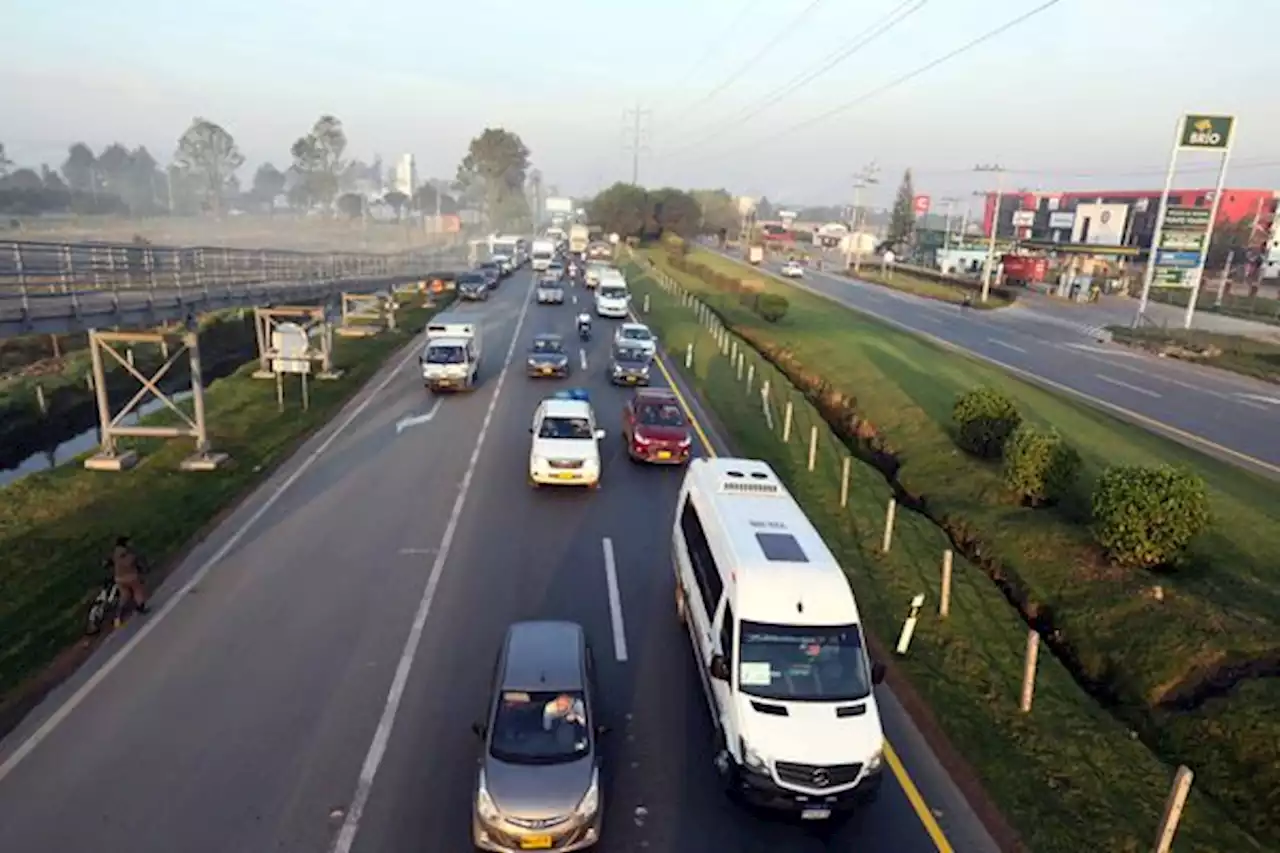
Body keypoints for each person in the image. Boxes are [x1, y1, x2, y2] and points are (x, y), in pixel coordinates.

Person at [105, 535, 149, 628]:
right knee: (137, 590)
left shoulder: (114, 552)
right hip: (130, 575)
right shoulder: (128, 552)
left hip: (119, 578)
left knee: (125, 595)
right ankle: (140, 606)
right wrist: (142, 568)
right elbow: (132, 561)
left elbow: (110, 562)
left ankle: (118, 613)